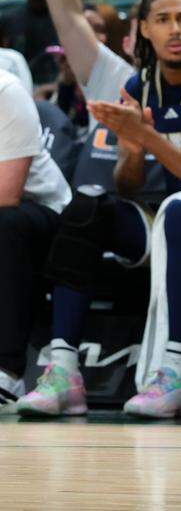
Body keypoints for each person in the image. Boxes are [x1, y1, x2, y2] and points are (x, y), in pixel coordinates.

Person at [15, 0, 181, 419]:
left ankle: (176, 372)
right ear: (143, 29)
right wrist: (133, 148)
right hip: (161, 215)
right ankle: (64, 368)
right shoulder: (139, 86)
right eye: (162, 20)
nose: (175, 29)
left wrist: (147, 135)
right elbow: (127, 185)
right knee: (87, 205)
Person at [0, 68, 73, 413]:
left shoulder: (6, 91)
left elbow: (7, 192)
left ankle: (7, 371)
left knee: (5, 223)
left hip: (46, 215)